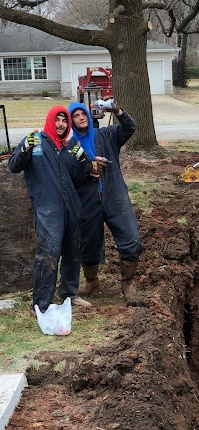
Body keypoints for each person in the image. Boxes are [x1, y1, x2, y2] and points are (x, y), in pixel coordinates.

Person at [8, 106, 92, 313]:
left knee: (72, 251)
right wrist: (23, 148)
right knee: (49, 252)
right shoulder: (36, 141)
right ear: (50, 121)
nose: (61, 124)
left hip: (71, 205)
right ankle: (41, 303)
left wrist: (83, 160)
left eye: (64, 121)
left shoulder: (71, 146)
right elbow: (14, 166)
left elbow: (79, 179)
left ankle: (70, 294)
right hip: (48, 207)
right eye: (58, 120)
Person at [68, 100, 144, 304]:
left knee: (130, 238)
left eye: (83, 114)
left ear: (88, 116)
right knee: (88, 244)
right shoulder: (70, 146)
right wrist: (87, 169)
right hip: (87, 200)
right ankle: (92, 281)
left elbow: (130, 128)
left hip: (115, 195)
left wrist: (118, 110)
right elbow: (68, 175)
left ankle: (127, 284)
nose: (81, 118)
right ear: (71, 121)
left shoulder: (106, 135)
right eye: (75, 116)